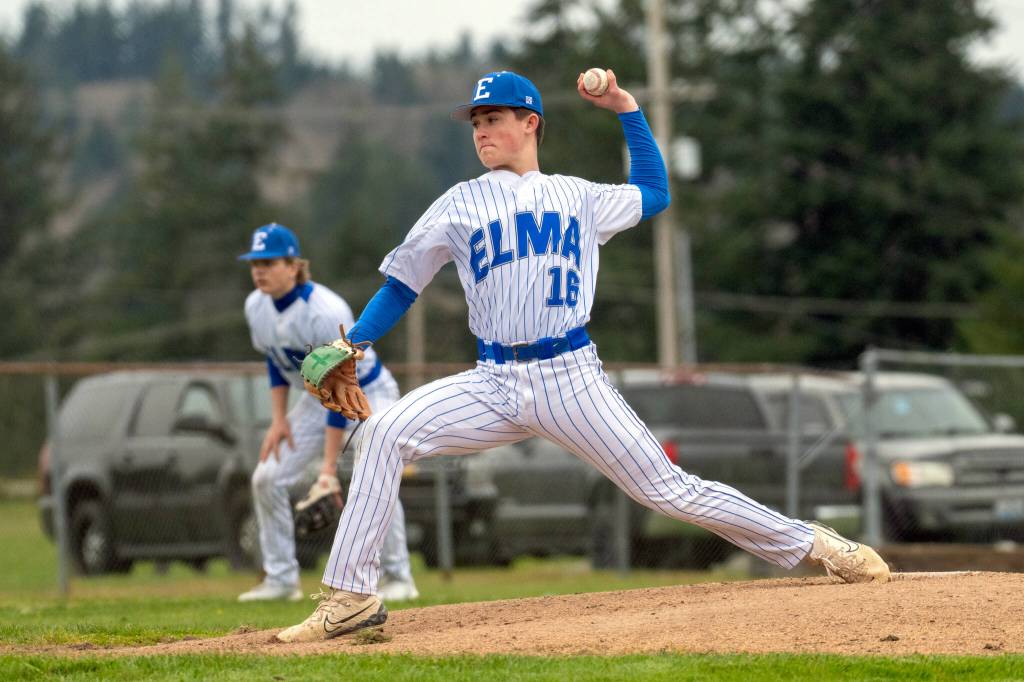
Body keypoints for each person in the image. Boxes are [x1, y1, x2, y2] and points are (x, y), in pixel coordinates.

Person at [276, 69, 889, 642]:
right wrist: (354, 340)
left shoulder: (579, 197)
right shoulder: (457, 203)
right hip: (492, 379)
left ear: (531, 123)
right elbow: (402, 284)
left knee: (668, 491)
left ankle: (814, 544)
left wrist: (627, 108)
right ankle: (350, 598)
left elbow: (654, 192)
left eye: (495, 118)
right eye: (477, 122)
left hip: (570, 378)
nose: (483, 130)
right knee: (381, 433)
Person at [236, 223, 419, 603]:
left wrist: (326, 470)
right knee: (266, 477)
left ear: (294, 265)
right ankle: (282, 578)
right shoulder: (256, 306)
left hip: (367, 390)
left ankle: (399, 576)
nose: (259, 270)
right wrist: (279, 420)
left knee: (376, 470)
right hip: (317, 398)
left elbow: (341, 387)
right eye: (255, 263)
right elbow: (276, 361)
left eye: (269, 262)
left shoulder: (324, 310)